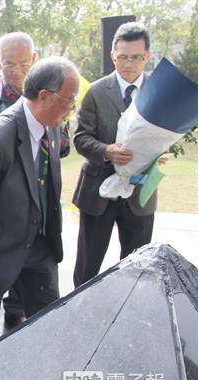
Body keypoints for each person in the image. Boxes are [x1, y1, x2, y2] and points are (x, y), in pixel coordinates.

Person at [0, 57, 79, 353]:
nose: (71, 108)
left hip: (38, 245)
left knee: (49, 320)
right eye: (69, 101)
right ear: (45, 97)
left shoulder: (53, 124)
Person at [72, 22, 155, 287]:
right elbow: (80, 138)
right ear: (112, 56)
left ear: (148, 56)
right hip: (98, 190)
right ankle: (78, 315)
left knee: (137, 268)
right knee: (88, 267)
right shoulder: (96, 91)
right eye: (122, 57)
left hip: (140, 194)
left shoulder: (158, 93)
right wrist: (106, 151)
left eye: (136, 57)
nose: (128, 64)